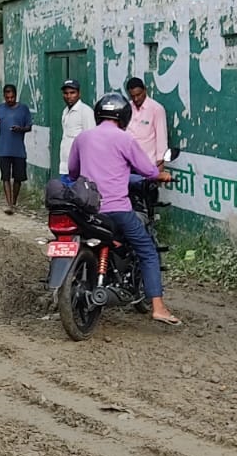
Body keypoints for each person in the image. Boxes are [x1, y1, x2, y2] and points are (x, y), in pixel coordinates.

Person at [68, 92, 180, 325]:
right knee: (147, 250)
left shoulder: (82, 138)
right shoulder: (125, 139)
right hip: (116, 209)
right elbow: (148, 171)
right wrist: (161, 174)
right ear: (124, 116)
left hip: (87, 210)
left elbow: (72, 171)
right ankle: (158, 307)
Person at [0, 84, 33, 214]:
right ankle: (9, 204)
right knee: (5, 177)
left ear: (16, 96)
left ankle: (14, 201)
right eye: (7, 97)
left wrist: (19, 129)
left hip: (18, 150)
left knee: (18, 178)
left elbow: (29, 127)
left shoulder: (24, 109)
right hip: (3, 149)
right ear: (4, 96)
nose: (10, 99)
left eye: (12, 97)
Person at [125, 77, 168, 170]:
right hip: (128, 165)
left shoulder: (156, 109)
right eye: (132, 96)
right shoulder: (127, 108)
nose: (136, 99)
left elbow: (161, 141)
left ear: (145, 90)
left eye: (138, 94)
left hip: (147, 166)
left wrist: (160, 167)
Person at [56, 79, 90, 175]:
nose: (69, 96)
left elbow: (91, 139)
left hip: (79, 168)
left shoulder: (85, 112)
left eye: (72, 93)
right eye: (66, 93)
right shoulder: (65, 112)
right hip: (65, 166)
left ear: (79, 94)